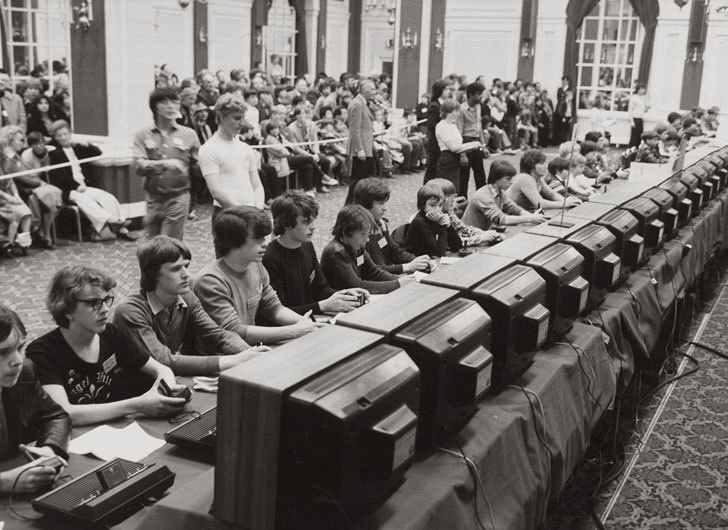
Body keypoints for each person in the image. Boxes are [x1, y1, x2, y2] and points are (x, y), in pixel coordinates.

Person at [26, 266, 188, 426]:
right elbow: (65, 413)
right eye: (94, 303)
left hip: (104, 430)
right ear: (67, 309)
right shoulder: (41, 352)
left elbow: (162, 369)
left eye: (106, 300)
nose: (105, 310)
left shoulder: (111, 334)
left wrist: (169, 392)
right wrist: (138, 404)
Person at [113, 236, 268, 376]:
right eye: (175, 269)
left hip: (169, 382)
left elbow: (218, 336)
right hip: (135, 391)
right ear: (153, 274)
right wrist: (233, 361)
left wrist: (250, 353)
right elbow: (163, 360)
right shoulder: (130, 311)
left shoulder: (186, 297)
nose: (186, 274)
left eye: (186, 266)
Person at [194, 206, 319, 345]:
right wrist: (294, 330)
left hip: (250, 349)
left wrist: (307, 322)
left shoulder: (255, 265)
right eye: (257, 239)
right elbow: (234, 331)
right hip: (227, 358)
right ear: (234, 241)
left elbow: (273, 307)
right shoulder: (211, 281)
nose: (265, 244)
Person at [0, 304, 71, 494]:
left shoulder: (25, 372)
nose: (17, 361)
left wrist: (49, 450)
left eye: (20, 348)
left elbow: (55, 415)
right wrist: (5, 482)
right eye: (2, 352)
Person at [263, 191, 368, 315]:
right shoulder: (270, 258)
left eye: (313, 221)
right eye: (306, 222)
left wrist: (343, 295)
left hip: (310, 316)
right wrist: (322, 306)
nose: (313, 227)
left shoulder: (307, 246)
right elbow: (280, 311)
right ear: (286, 224)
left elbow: (320, 288)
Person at [48, 120, 136, 241]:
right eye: (60, 136)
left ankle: (121, 228)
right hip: (68, 190)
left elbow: (97, 152)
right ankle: (111, 221)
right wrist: (76, 186)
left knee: (107, 197)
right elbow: (60, 176)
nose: (63, 137)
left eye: (65, 134)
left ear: (70, 134)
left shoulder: (76, 147)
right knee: (85, 199)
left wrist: (86, 144)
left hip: (84, 186)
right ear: (55, 138)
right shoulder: (54, 153)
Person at [133, 88, 201, 241]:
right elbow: (138, 165)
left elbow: (199, 164)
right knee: (153, 246)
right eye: (165, 102)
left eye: (174, 102)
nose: (171, 106)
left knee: (168, 245)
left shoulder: (189, 134)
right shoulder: (143, 135)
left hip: (178, 198)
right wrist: (165, 164)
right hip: (152, 200)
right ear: (155, 107)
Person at [198, 94, 265, 217]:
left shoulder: (245, 148)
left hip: (251, 211)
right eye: (237, 118)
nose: (242, 123)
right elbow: (217, 192)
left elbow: (256, 184)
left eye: (243, 118)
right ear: (221, 117)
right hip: (227, 214)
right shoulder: (208, 149)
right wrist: (245, 214)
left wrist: (258, 210)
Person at [321, 204, 411, 294]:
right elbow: (357, 285)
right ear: (346, 231)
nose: (367, 239)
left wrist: (399, 279)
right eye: (362, 234)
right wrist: (397, 284)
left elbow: (374, 272)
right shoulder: (336, 252)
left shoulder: (355, 245)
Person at [352, 178, 432, 274]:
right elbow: (370, 270)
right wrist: (406, 267)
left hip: (388, 277)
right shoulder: (357, 233)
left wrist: (417, 261)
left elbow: (394, 250)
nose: (385, 208)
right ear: (366, 203)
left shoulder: (381, 224)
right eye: (380, 203)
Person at [462, 159, 547, 231]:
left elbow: (514, 209)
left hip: (483, 233)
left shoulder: (500, 192)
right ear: (496, 178)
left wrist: (534, 216)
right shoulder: (482, 195)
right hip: (470, 236)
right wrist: (531, 218)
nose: (511, 182)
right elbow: (502, 219)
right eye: (508, 179)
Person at [429, 178, 501, 246]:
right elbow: (450, 243)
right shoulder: (433, 217)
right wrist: (480, 238)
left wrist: (489, 234)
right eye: (449, 196)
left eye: (454, 195)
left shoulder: (448, 212)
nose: (453, 199)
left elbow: (463, 229)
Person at [507, 149, 581, 212]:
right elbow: (539, 203)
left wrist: (568, 201)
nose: (545, 166)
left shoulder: (538, 178)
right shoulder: (525, 178)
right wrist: (565, 203)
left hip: (529, 213)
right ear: (531, 167)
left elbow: (552, 195)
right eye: (541, 164)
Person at [435, 99, 482, 194]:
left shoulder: (453, 126)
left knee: (456, 190)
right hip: (446, 160)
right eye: (456, 111)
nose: (458, 114)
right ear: (449, 112)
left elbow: (459, 145)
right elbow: (453, 147)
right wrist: (473, 144)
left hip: (455, 160)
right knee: (449, 191)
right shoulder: (441, 126)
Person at [404, 182, 462, 257]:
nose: (437, 209)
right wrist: (442, 226)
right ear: (422, 205)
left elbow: (457, 246)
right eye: (432, 205)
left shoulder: (436, 217)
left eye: (440, 205)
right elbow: (439, 253)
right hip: (416, 261)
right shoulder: (419, 221)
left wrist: (448, 226)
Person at [345, 79, 376, 204]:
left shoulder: (363, 103)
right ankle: (350, 205)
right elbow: (354, 130)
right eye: (372, 89)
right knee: (356, 182)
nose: (374, 92)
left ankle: (358, 204)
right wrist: (360, 149)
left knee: (362, 181)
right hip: (360, 150)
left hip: (366, 147)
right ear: (364, 90)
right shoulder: (357, 104)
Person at [423, 79, 452, 184]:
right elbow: (431, 124)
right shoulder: (434, 106)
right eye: (446, 89)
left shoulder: (444, 105)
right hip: (435, 142)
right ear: (440, 91)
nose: (449, 91)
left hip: (441, 141)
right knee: (432, 168)